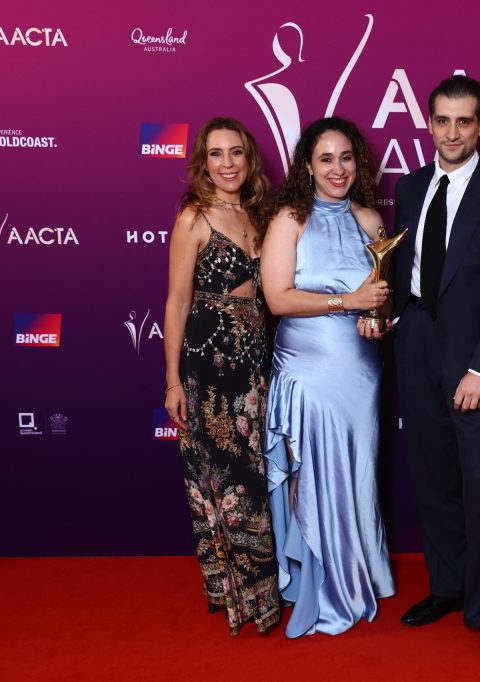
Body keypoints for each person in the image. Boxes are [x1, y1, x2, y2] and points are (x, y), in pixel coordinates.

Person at [391, 75, 480, 663]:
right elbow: (403, 270)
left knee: (479, 486)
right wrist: (390, 321)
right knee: (432, 478)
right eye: (442, 121)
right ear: (429, 123)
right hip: (416, 348)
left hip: (474, 358)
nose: (452, 133)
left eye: (464, 121)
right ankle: (447, 587)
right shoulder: (410, 186)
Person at [260, 117, 396, 637]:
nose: (338, 169)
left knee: (357, 470)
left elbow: (380, 298)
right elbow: (278, 299)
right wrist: (348, 301)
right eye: (325, 159)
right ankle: (319, 583)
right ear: (307, 166)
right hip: (307, 367)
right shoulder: (289, 219)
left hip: (360, 370)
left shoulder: (370, 220)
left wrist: (377, 316)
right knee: (316, 473)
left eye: (346, 158)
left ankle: (359, 572)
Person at [163, 117, 280, 635]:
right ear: (203, 162)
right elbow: (177, 302)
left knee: (254, 472)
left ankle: (252, 586)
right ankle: (243, 593)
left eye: (236, 152)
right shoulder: (194, 217)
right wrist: (172, 381)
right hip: (208, 368)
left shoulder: (259, 214)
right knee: (228, 481)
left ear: (249, 159)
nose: (227, 163)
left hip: (254, 363)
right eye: (216, 153)